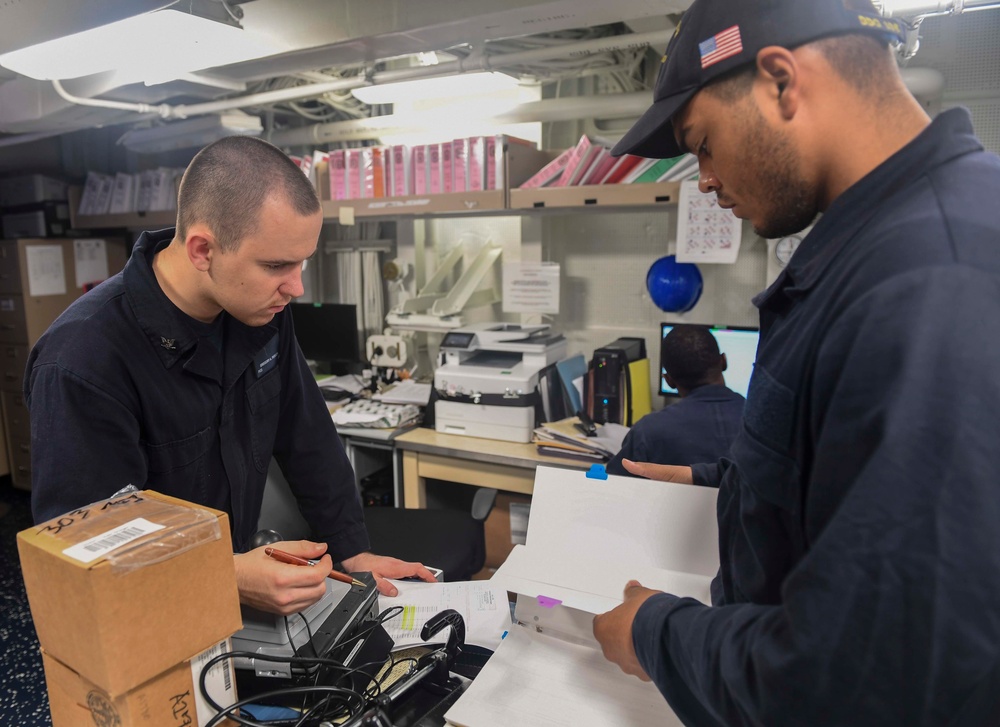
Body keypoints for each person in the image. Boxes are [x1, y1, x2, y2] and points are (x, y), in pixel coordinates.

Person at [592, 0, 1000, 724]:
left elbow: (861, 675)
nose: (704, 180)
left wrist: (654, 632)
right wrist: (712, 479)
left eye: (703, 144)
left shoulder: (934, 277)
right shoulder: (874, 247)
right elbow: (835, 474)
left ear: (781, 82)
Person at [26, 136, 436, 615]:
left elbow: (308, 438)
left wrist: (351, 550)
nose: (296, 286)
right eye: (276, 265)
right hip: (143, 617)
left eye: (301, 261)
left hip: (228, 592)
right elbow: (86, 553)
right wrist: (225, 575)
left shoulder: (260, 311)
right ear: (202, 250)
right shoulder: (84, 360)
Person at [605, 325, 744, 476]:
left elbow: (613, 483)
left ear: (668, 380)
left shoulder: (648, 431)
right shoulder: (758, 421)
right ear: (723, 361)